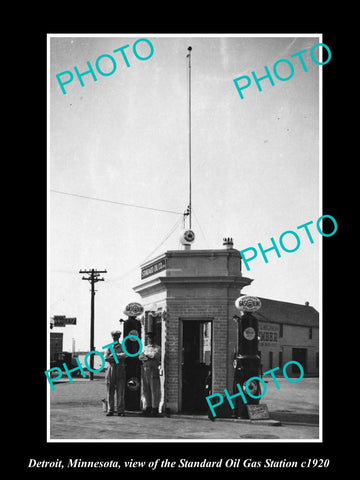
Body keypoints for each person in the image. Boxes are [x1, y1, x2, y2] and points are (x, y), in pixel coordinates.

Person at [104, 330, 127, 416]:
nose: (115, 338)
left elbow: (125, 355)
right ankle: (111, 410)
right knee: (110, 390)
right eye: (114, 336)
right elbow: (105, 357)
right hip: (111, 369)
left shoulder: (122, 346)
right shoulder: (109, 347)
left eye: (117, 336)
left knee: (120, 391)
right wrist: (117, 357)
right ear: (112, 337)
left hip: (120, 369)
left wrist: (114, 356)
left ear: (119, 337)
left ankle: (120, 410)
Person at [139, 332, 161, 416]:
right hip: (145, 369)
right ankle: (147, 406)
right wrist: (147, 356)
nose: (150, 339)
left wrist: (146, 356)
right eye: (149, 338)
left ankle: (154, 407)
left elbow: (155, 355)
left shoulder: (158, 347)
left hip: (153, 369)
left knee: (154, 389)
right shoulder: (144, 348)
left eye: (152, 338)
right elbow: (140, 357)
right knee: (145, 389)